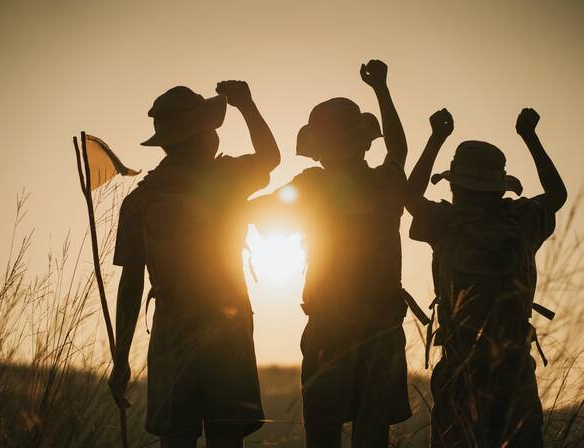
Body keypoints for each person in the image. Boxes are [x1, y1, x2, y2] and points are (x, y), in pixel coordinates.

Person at [108, 81, 280, 448]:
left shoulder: (141, 200)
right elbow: (270, 157)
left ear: (166, 143)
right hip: (227, 329)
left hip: (172, 334)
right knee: (226, 437)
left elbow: (131, 284)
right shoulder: (227, 179)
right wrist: (246, 105)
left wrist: (120, 358)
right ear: (203, 138)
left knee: (176, 438)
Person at [251, 60, 412, 447]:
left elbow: (260, 214)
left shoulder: (311, 187)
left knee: (322, 434)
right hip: (380, 330)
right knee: (371, 435)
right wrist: (382, 91)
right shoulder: (385, 183)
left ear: (319, 149)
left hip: (330, 330)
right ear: (363, 142)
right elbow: (400, 149)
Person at [406, 108, 567, 448]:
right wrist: (530, 136)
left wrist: (436, 138)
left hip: (459, 366)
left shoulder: (444, 221)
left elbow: (407, 198)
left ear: (455, 186)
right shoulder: (522, 220)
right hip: (513, 368)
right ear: (500, 187)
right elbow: (557, 196)